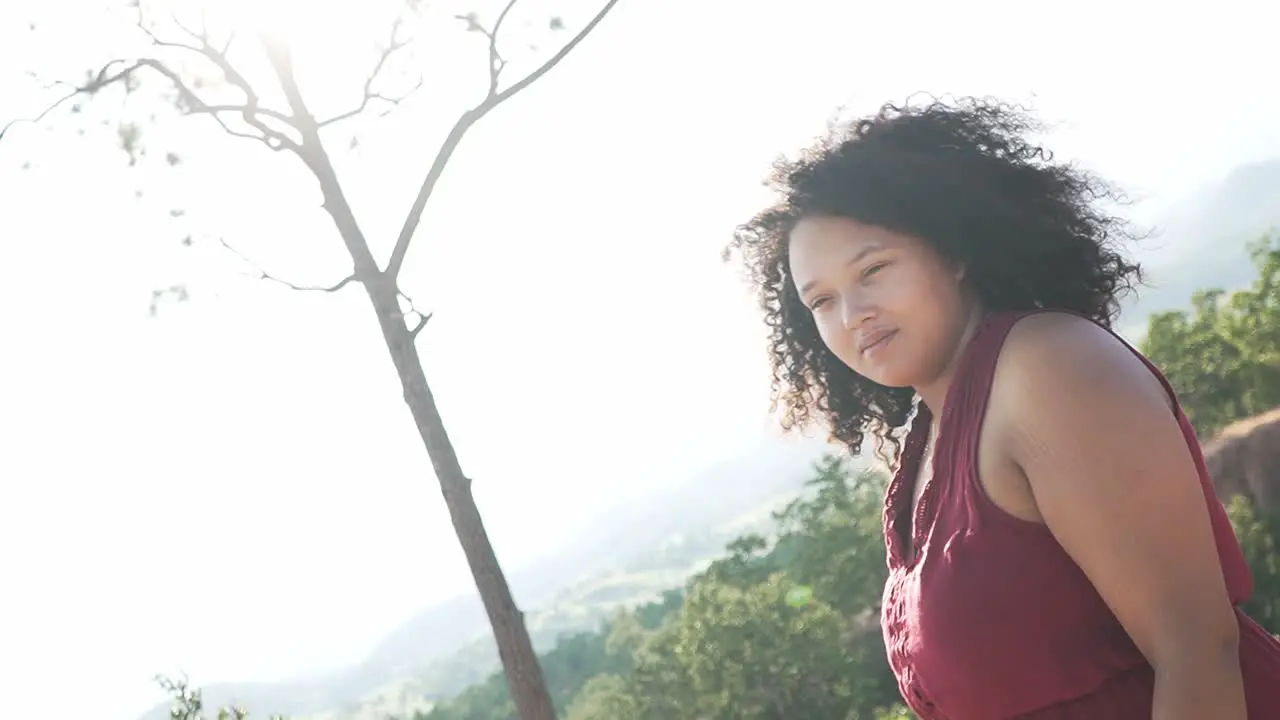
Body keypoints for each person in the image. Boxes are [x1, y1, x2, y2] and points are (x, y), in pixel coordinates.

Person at [728, 97, 1280, 719]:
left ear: (953, 250)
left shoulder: (1045, 369)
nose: (853, 315)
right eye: (822, 301)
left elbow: (1199, 651)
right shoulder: (928, 444)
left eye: (875, 269)